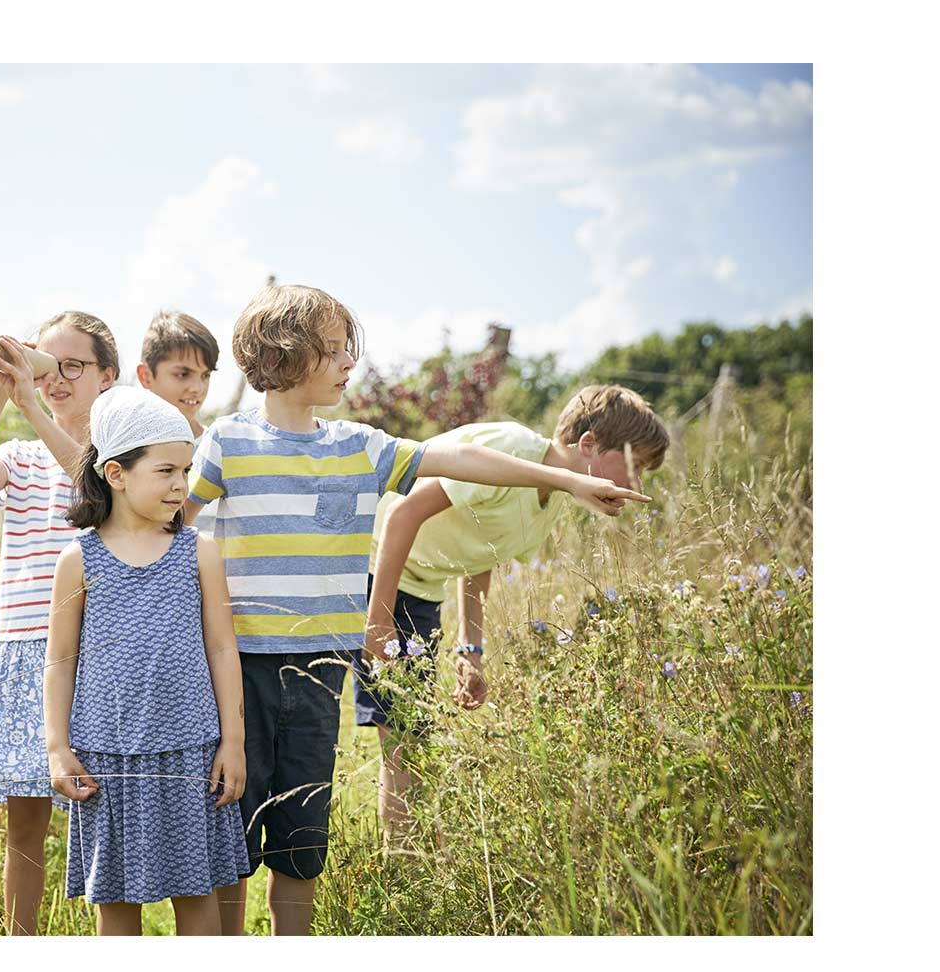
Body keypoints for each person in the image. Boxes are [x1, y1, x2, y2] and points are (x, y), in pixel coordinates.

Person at [183, 283, 648, 935]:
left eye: (351, 350)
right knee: (231, 842)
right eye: (337, 350)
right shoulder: (227, 442)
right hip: (238, 670)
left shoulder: (359, 446)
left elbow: (460, 457)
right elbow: (172, 525)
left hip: (322, 670)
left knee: (301, 847)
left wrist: (566, 477)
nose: (351, 363)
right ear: (287, 353)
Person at [360, 385, 668, 835]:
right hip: (368, 570)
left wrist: (471, 649)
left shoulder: (549, 500)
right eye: (634, 465)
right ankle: (387, 860)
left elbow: (479, 559)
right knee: (387, 733)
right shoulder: (513, 447)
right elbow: (402, 515)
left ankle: (401, 864)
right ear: (588, 445)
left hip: (420, 591)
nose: (636, 483)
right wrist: (378, 618)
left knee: (409, 734)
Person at [44, 386, 249, 936]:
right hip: (106, 757)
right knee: (114, 907)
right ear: (116, 474)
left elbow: (222, 648)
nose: (181, 484)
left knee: (197, 896)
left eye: (185, 470)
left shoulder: (198, 551)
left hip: (191, 753)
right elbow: (60, 660)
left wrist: (233, 740)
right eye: (166, 471)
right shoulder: (77, 558)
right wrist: (58, 748)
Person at [0, 310, 119, 935]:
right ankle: (21, 939)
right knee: (24, 824)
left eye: (72, 366)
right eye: (47, 366)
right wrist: (2, 387)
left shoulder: (115, 459)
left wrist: (30, 402)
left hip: (92, 656)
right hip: (22, 650)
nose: (55, 378)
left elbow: (91, 486)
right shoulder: (19, 457)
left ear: (108, 377)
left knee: (100, 812)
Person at [136, 310, 222, 538]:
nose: (197, 387)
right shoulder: (128, 452)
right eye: (183, 374)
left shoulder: (219, 445)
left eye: (205, 375)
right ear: (145, 376)